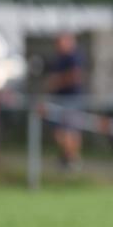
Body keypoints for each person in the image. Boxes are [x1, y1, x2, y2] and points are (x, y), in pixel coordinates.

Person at [46, 33, 84, 171]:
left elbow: (75, 77)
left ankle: (71, 160)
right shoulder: (60, 58)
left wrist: (57, 82)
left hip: (70, 100)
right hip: (60, 100)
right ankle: (67, 159)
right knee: (61, 132)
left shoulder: (72, 58)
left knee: (69, 131)